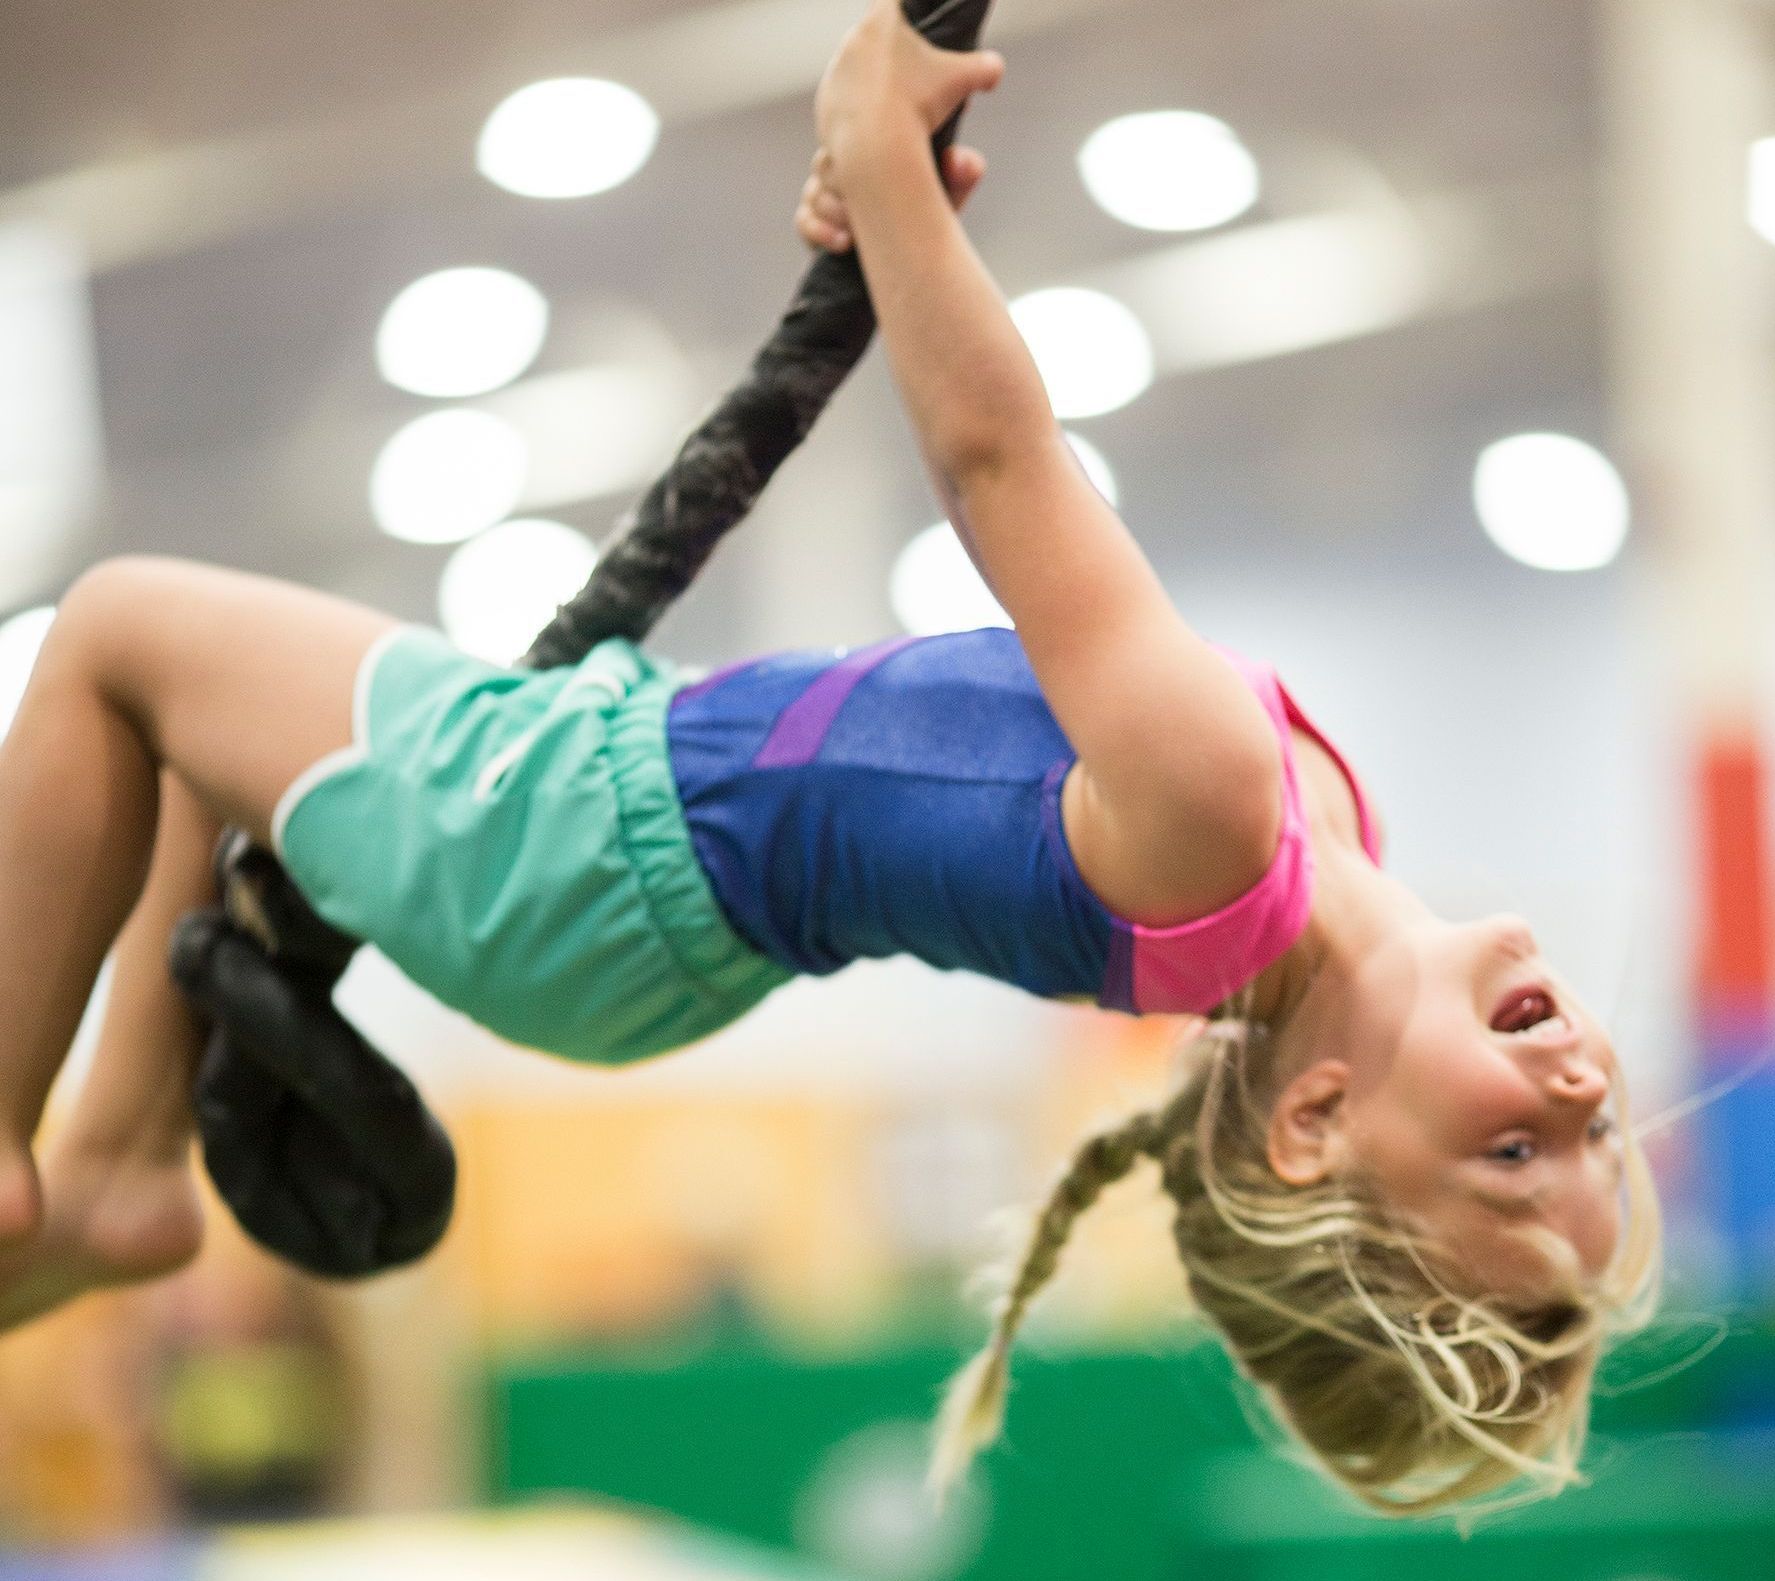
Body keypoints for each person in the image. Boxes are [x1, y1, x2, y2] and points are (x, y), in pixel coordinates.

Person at [0, 0, 1657, 1517]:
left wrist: (881, 157)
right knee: (203, 743)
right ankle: (125, 1160)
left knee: (118, 631)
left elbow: (1000, 464)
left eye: (1511, 1152)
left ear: (1309, 1123)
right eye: (1590, 1145)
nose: (1580, 1097)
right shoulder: (1319, 829)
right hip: (643, 870)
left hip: (586, 848)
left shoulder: (1227, 828)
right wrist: (897, 230)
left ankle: (19, 1154)